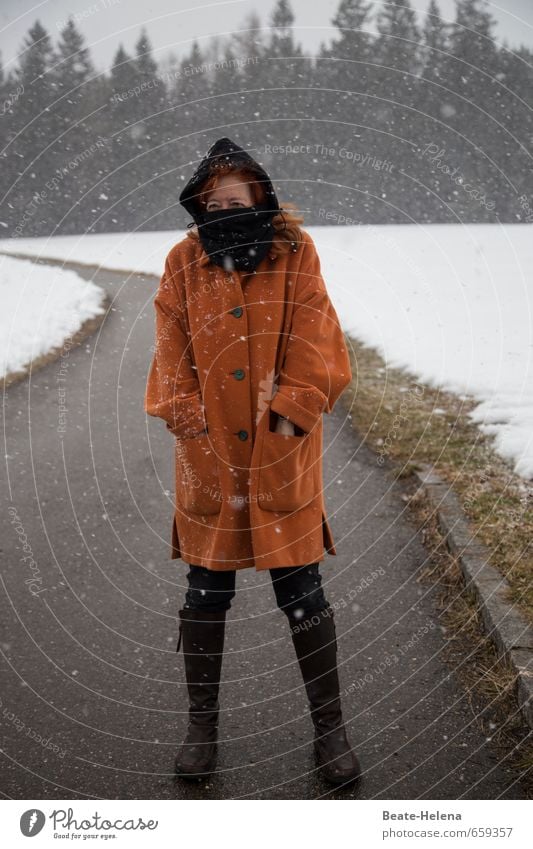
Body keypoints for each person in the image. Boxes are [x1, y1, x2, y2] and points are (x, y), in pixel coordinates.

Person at [144, 137, 360, 787]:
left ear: (259, 192)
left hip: (279, 452)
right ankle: (200, 729)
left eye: (234, 193)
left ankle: (331, 730)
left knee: (303, 592)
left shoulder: (294, 252)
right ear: (198, 203)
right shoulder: (183, 261)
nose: (223, 203)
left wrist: (292, 410)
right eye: (212, 198)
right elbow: (169, 344)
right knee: (205, 594)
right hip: (208, 457)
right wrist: (186, 415)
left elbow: (316, 333)